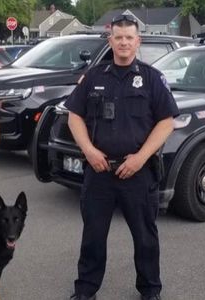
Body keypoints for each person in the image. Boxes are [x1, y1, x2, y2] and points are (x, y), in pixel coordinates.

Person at [66, 15, 179, 300]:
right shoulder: (93, 77)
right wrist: (89, 151)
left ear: (138, 41)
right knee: (93, 236)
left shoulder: (152, 78)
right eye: (119, 37)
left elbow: (166, 122)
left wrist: (140, 158)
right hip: (99, 170)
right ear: (110, 40)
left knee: (145, 238)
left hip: (138, 171)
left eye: (129, 37)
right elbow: (74, 116)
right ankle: (85, 290)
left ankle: (150, 291)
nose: (124, 42)